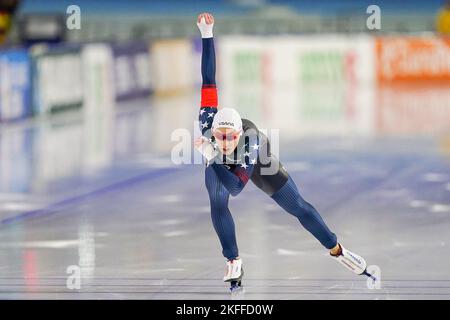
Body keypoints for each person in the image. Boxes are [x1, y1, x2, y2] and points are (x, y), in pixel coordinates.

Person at [194, 12, 369, 291]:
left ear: (238, 135)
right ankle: (233, 260)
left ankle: (337, 249)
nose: (224, 140)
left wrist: (212, 154)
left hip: (254, 163)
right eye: (219, 136)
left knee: (297, 205)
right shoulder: (207, 123)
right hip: (218, 162)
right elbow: (208, 78)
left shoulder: (250, 141)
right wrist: (207, 35)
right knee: (216, 200)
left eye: (229, 137)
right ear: (212, 131)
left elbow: (237, 187)